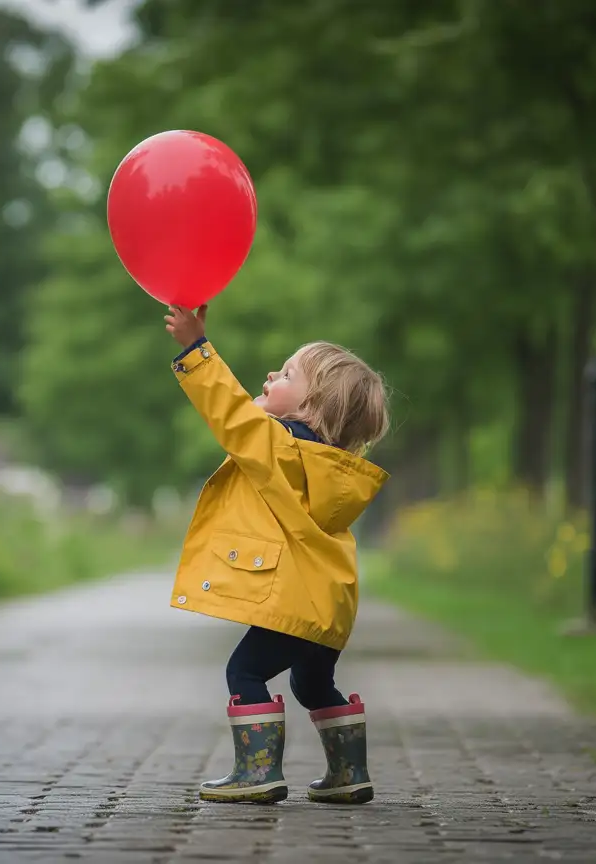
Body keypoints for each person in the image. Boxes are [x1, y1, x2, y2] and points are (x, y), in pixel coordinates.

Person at [164, 304, 390, 805]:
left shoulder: (282, 446)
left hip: (290, 605)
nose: (271, 374)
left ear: (314, 409)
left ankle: (257, 772)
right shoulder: (335, 470)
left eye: (288, 374)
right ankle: (349, 772)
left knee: (243, 673)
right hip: (328, 606)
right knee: (312, 684)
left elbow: (232, 416)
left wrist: (196, 350)